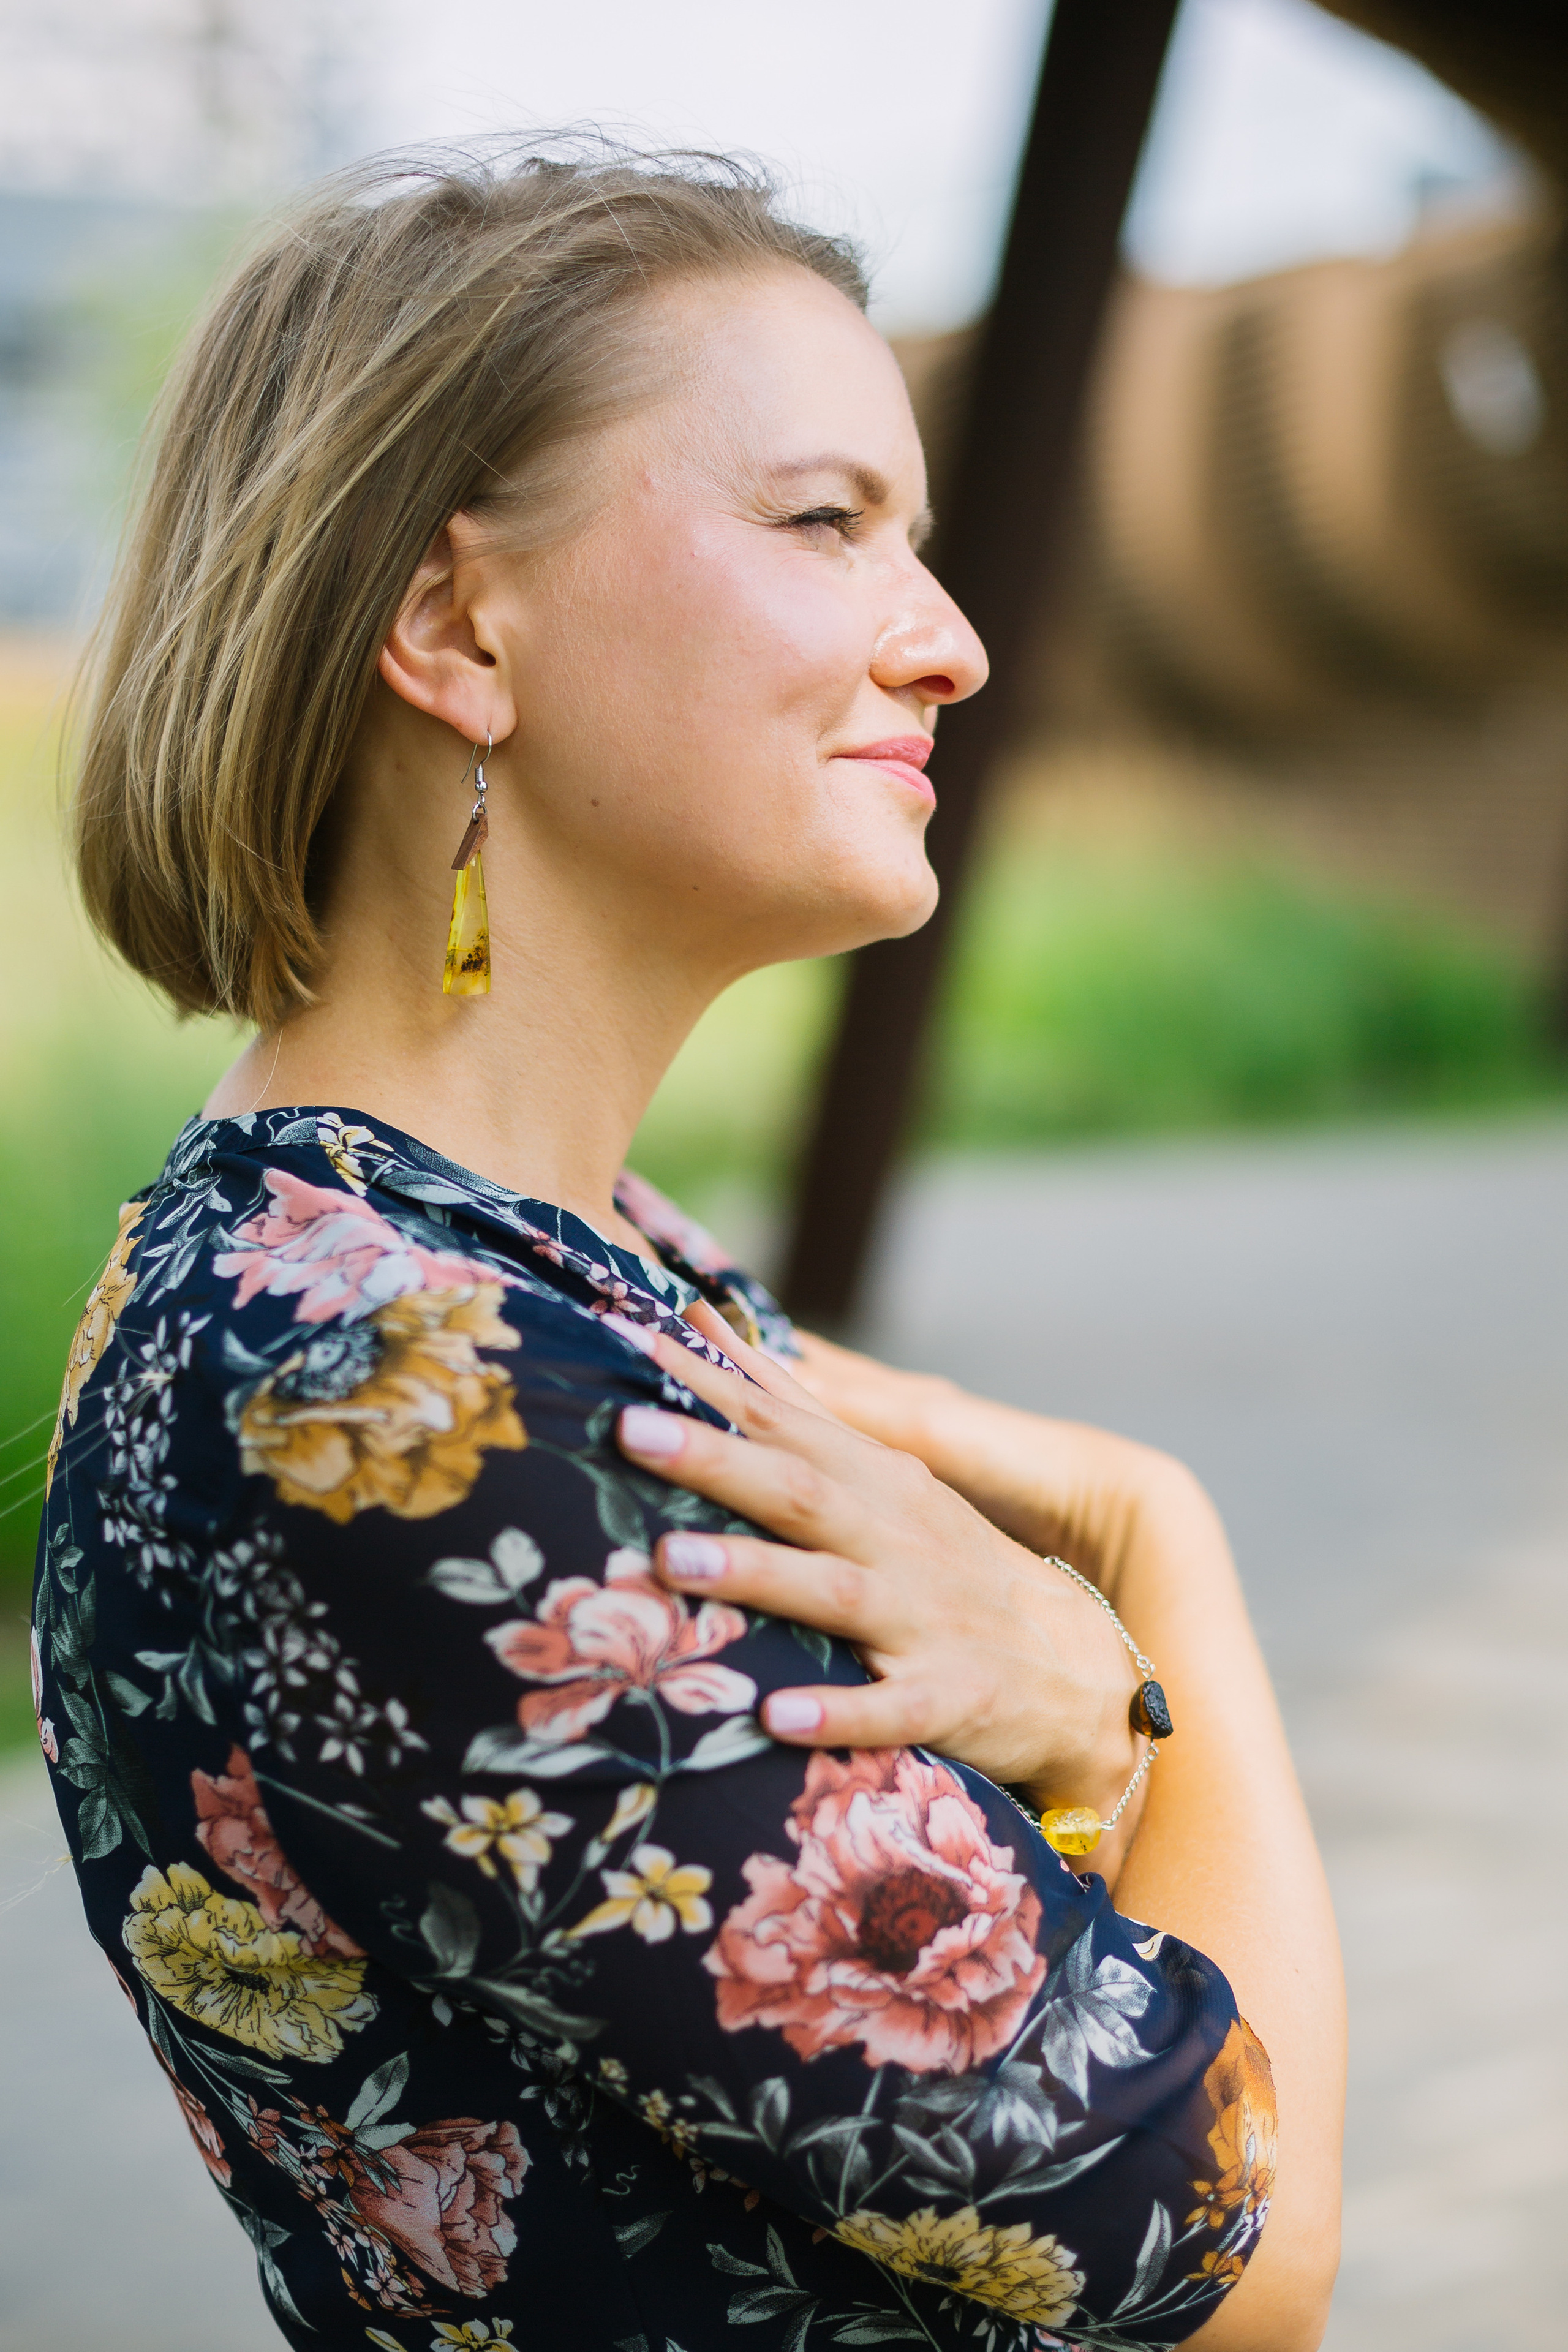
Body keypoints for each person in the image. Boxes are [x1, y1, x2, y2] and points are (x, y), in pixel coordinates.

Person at [36, 146, 1344, 2351]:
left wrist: (1076, 1711)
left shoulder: (516, 1253)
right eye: (827, 522)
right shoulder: (413, 1400)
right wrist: (1151, 1564)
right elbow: (1243, 2265)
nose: (948, 639)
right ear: (456, 627)